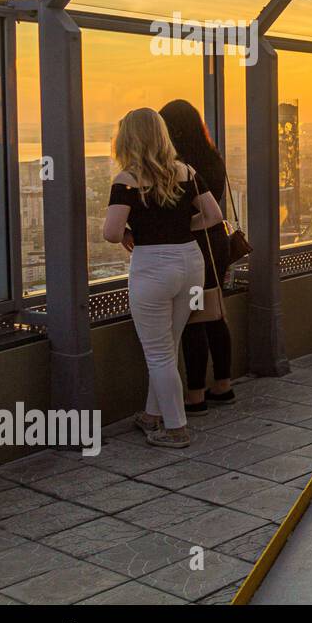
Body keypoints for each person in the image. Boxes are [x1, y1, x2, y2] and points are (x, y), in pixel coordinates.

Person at [102, 108, 224, 448]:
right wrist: (184, 228)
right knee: (167, 347)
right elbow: (213, 216)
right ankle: (151, 416)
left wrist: (132, 231)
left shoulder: (126, 180)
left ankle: (176, 429)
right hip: (190, 261)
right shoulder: (186, 171)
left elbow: (111, 233)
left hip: (153, 266)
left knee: (157, 353)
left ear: (127, 138)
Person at [159, 99, 235, 417]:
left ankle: (195, 394)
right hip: (216, 244)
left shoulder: (180, 166)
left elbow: (179, 211)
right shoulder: (213, 158)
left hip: (193, 246)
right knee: (214, 313)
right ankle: (223, 384)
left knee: (193, 319)